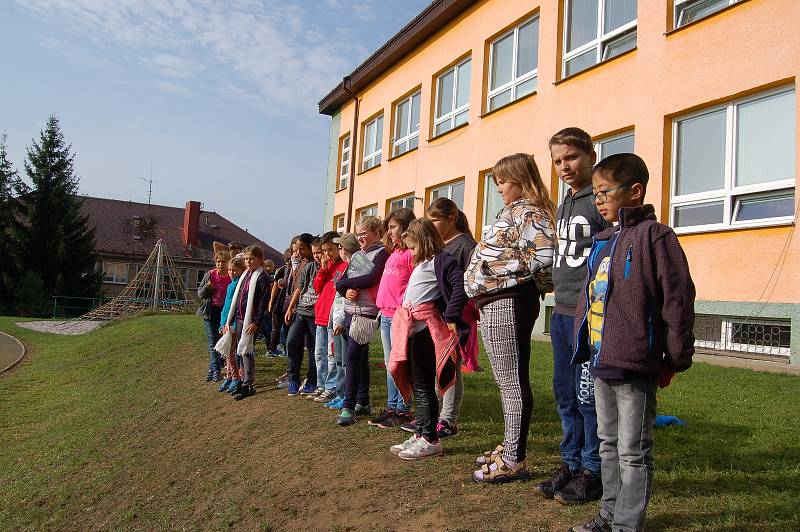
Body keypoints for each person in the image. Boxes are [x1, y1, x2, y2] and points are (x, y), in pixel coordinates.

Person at [569, 154, 695, 532]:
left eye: (604, 192)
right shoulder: (604, 241)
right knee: (607, 443)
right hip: (601, 360)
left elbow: (677, 298)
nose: (598, 200)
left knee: (632, 451)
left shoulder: (657, 237)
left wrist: (674, 357)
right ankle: (608, 516)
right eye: (595, 194)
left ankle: (627, 524)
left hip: (635, 363)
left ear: (635, 191)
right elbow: (590, 297)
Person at [464, 153, 556, 483]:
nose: (499, 186)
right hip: (495, 300)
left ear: (519, 177)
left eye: (503, 180)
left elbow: (545, 255)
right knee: (506, 382)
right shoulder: (515, 210)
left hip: (509, 301)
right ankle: (509, 446)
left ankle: (514, 458)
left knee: (512, 382)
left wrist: (495, 273)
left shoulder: (530, 210)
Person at [534, 127, 610, 504]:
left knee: (586, 395)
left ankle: (592, 470)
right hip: (561, 311)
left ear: (590, 156)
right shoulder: (564, 203)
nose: (564, 165)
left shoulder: (599, 201)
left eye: (571, 157)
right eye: (557, 160)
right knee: (564, 392)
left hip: (588, 315)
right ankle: (570, 461)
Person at [387, 218, 467, 460]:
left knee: (423, 386)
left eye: (412, 247)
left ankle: (430, 439)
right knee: (417, 383)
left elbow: (460, 285)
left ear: (423, 241)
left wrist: (452, 315)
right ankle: (421, 432)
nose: (409, 253)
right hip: (411, 329)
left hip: (425, 331)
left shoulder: (441, 261)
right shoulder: (422, 263)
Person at [425, 197, 479, 441]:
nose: (431, 224)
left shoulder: (465, 245)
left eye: (434, 220)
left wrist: (455, 313)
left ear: (451, 219)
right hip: (435, 317)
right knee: (437, 366)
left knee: (451, 368)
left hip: (455, 318)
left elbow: (470, 283)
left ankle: (448, 420)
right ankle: (434, 414)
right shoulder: (438, 246)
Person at [334, 216, 389, 426]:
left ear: (376, 232)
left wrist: (346, 283)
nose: (360, 237)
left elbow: (372, 278)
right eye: (358, 234)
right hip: (350, 311)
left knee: (352, 357)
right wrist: (346, 288)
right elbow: (340, 284)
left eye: (364, 233)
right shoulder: (358, 254)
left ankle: (348, 406)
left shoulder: (381, 253)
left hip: (366, 312)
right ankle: (363, 401)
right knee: (360, 358)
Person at [370, 208, 416, 429]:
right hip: (386, 314)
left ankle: (403, 409)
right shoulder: (394, 253)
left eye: (393, 227)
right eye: (388, 228)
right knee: (390, 364)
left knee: (400, 364)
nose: (389, 232)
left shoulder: (410, 254)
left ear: (405, 228)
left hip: (399, 316)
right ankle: (391, 407)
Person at [215, 245, 272, 401]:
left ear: (259, 260)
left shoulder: (262, 278)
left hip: (251, 320)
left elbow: (262, 303)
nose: (248, 262)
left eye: (252, 259)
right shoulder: (246, 274)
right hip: (240, 318)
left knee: (247, 350)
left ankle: (248, 384)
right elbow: (238, 297)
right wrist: (231, 318)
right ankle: (241, 380)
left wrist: (255, 322)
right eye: (246, 259)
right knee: (240, 350)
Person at [312, 231, 349, 405]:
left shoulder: (344, 265)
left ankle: (331, 387)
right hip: (320, 316)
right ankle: (321, 384)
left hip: (333, 317)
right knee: (319, 354)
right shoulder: (327, 267)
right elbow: (318, 288)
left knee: (332, 355)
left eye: (330, 250)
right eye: (324, 251)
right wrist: (323, 270)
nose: (327, 254)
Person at [325, 232, 360, 410]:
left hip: (346, 319)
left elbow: (346, 297)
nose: (338, 249)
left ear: (345, 249)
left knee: (346, 361)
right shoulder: (346, 267)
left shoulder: (356, 266)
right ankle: (340, 394)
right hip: (338, 318)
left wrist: (339, 320)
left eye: (340, 247)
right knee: (338, 359)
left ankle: (347, 395)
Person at [284, 233, 319, 396]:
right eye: (296, 249)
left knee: (313, 348)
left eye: (302, 249)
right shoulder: (306, 266)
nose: (299, 252)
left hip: (315, 314)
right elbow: (299, 287)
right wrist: (291, 307)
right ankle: (293, 379)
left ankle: (312, 380)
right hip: (301, 311)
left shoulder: (321, 264)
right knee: (291, 342)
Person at [196, 251, 231, 382]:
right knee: (212, 342)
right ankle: (216, 370)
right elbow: (200, 294)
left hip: (224, 312)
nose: (220, 264)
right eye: (218, 261)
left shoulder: (230, 276)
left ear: (227, 262)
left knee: (221, 341)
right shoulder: (210, 275)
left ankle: (212, 368)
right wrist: (208, 287)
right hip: (210, 311)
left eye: (223, 261)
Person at [217, 256, 246, 393]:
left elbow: (236, 307)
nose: (231, 272)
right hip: (225, 323)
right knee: (226, 353)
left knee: (230, 353)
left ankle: (235, 377)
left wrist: (231, 323)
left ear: (241, 270)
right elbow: (226, 306)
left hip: (233, 324)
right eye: (229, 270)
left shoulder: (240, 285)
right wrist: (222, 323)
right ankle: (229, 376)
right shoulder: (230, 285)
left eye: (235, 270)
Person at [268, 247, 293, 356]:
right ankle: (272, 349)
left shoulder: (297, 269)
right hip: (279, 302)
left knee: (287, 328)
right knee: (276, 328)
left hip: (289, 304)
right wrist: (271, 301)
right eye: (287, 260)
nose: (289, 263)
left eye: (290, 260)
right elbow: (275, 286)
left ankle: (287, 350)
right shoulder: (282, 270)